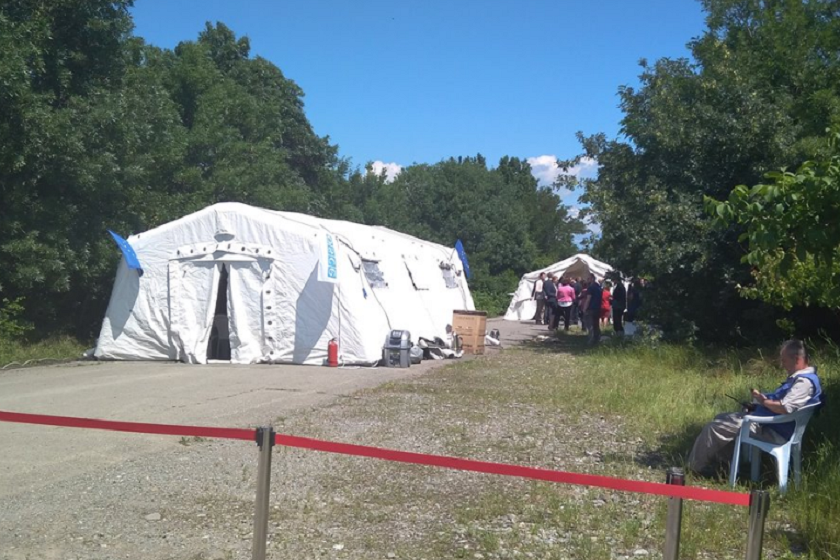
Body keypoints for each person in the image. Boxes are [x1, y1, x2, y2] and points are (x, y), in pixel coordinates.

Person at [688, 340, 823, 476]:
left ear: (797, 359)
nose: (782, 365)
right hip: (773, 424)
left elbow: (784, 407)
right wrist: (758, 403)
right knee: (721, 417)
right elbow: (785, 404)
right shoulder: (801, 378)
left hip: (774, 431)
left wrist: (763, 402)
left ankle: (695, 468)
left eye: (784, 360)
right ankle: (725, 465)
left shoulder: (803, 382)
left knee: (713, 427)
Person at [580, 273, 602, 345]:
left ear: (592, 279)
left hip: (591, 308)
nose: (587, 280)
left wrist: (584, 308)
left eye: (588, 279)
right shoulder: (598, 287)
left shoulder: (591, 287)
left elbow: (588, 299)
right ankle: (598, 338)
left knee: (590, 325)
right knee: (596, 324)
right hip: (597, 307)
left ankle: (591, 340)